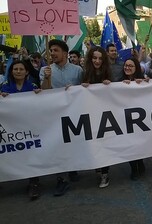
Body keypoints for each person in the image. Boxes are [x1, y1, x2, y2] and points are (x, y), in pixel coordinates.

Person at [39, 39, 83, 196]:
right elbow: (43, 92)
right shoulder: (46, 70)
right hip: (54, 114)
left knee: (72, 141)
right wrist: (46, 78)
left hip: (73, 113)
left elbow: (84, 90)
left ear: (65, 53)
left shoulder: (78, 70)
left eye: (55, 50)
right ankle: (61, 179)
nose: (52, 53)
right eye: (50, 51)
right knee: (58, 144)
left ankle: (72, 168)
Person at [1, 60, 41, 200]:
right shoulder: (5, 87)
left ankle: (34, 182)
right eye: (15, 69)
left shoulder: (33, 86)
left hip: (28, 126)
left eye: (21, 69)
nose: (18, 71)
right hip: (11, 128)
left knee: (31, 153)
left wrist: (39, 94)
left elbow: (41, 102)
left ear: (27, 72)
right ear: (11, 71)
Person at [81, 46, 112, 187]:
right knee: (94, 143)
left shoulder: (108, 73)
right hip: (90, 114)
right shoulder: (85, 73)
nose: (97, 61)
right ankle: (98, 167)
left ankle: (105, 174)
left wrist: (109, 85)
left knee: (105, 144)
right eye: (94, 58)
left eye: (100, 58)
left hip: (106, 114)